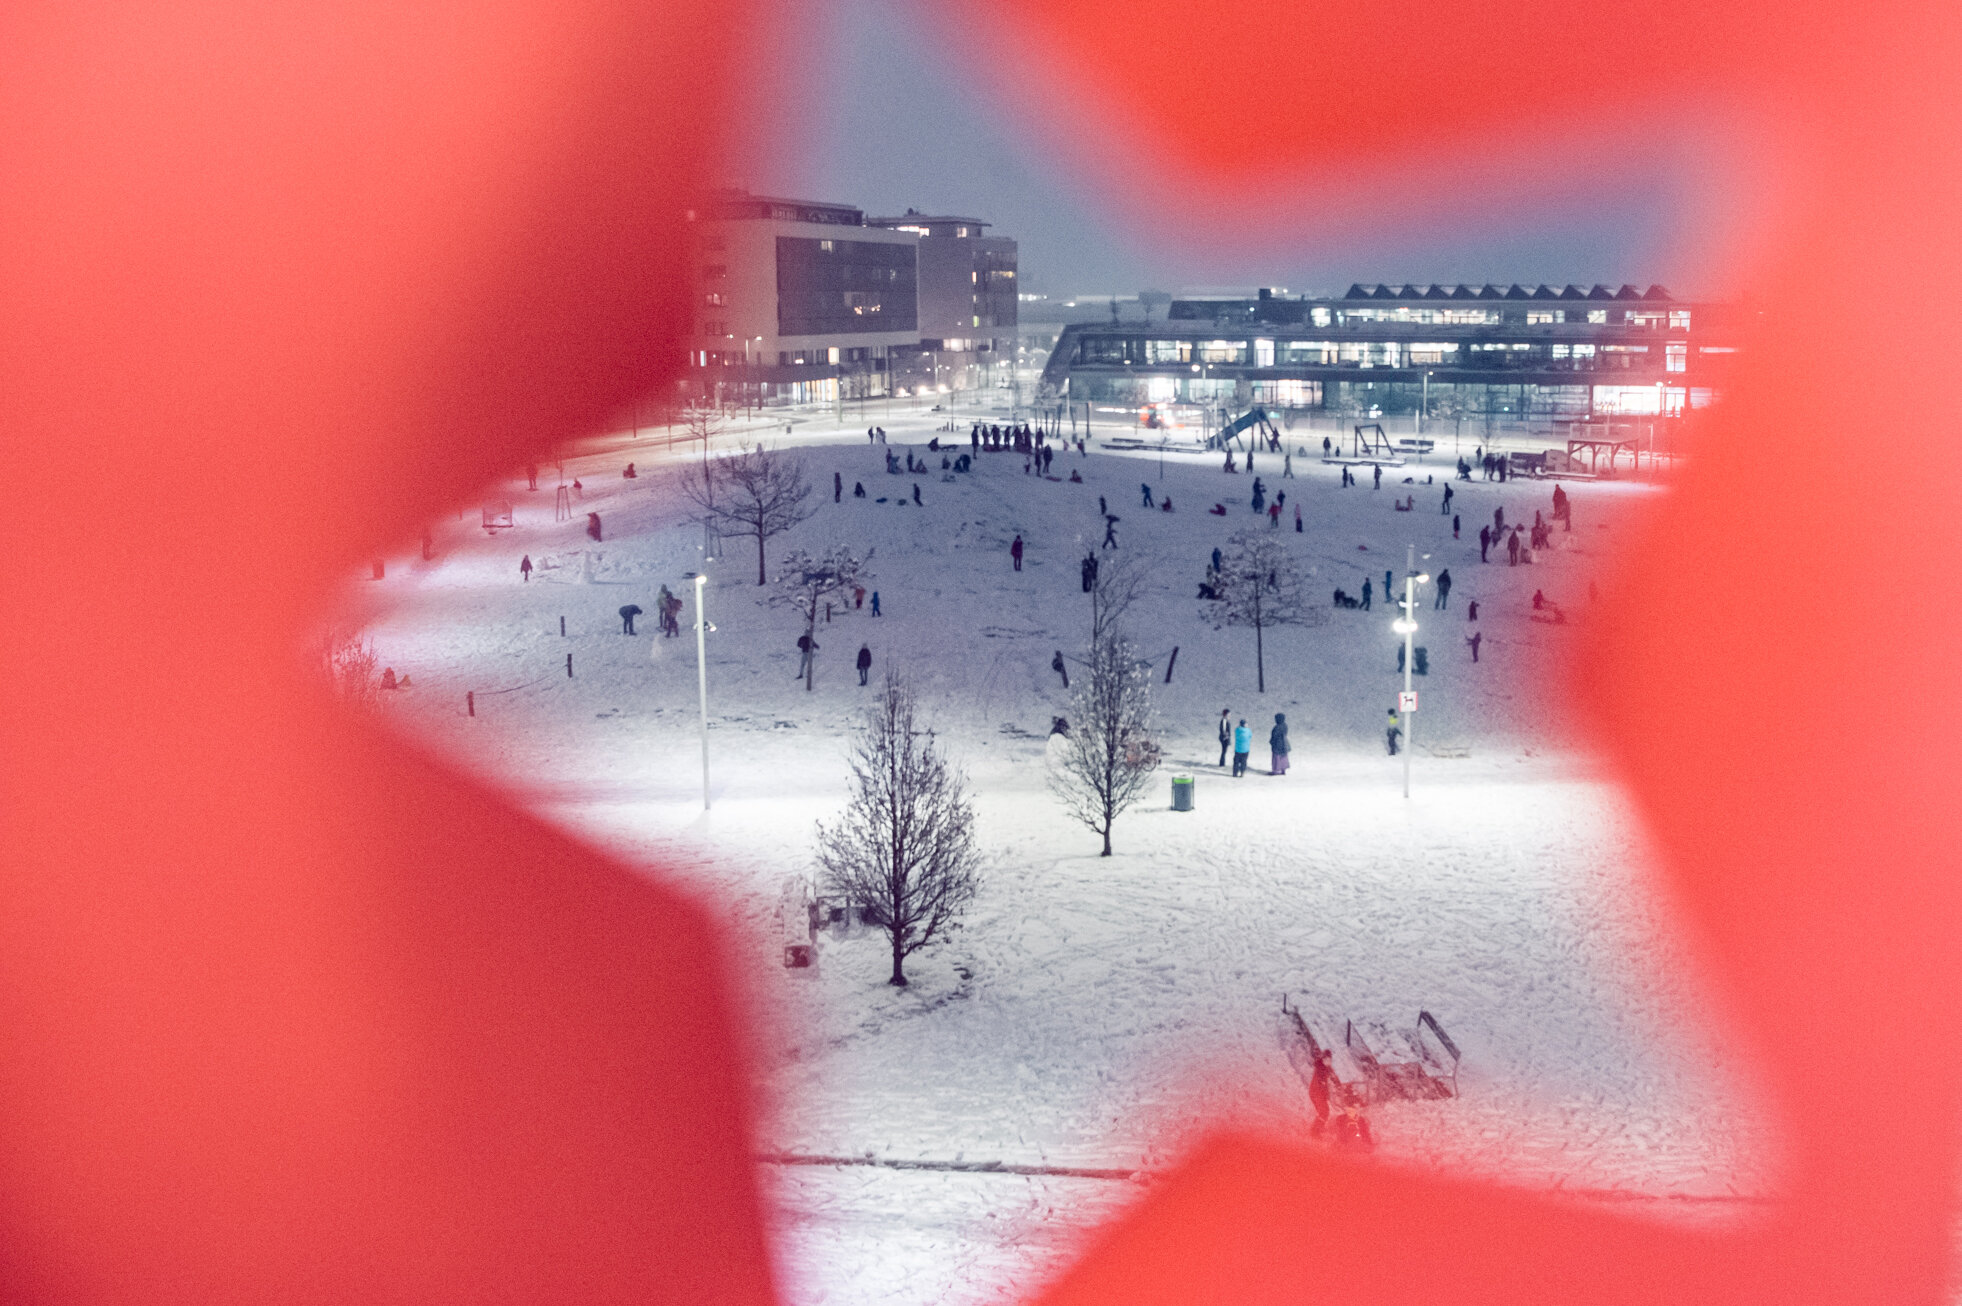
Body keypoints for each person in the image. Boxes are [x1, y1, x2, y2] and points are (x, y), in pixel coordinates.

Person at [1308, 1048, 1334, 1138]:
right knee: (1324, 1112)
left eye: (1330, 1060)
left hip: (1318, 1093)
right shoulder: (1320, 1069)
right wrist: (1325, 1094)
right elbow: (1321, 1083)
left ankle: (1319, 1127)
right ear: (1323, 1059)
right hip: (1316, 1093)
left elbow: (1325, 1083)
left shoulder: (1324, 1068)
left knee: (1324, 1111)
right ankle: (1315, 1131)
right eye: (1326, 1059)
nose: (1328, 1061)